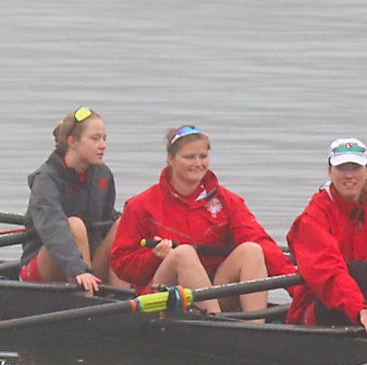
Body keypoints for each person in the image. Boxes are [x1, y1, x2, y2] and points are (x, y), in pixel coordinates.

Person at [109, 125, 294, 314]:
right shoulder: (140, 205)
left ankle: (255, 325)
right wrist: (153, 256)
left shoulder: (227, 201)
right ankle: (216, 322)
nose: (198, 163)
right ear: (170, 159)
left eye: (203, 156)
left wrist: (298, 288)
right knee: (184, 253)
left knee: (252, 250)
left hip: (214, 289)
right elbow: (120, 265)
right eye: (189, 157)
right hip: (162, 296)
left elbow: (261, 242)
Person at [284, 138, 367, 334]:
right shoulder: (314, 215)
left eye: (355, 168)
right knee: (357, 270)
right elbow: (328, 271)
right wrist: (361, 310)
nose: (349, 176)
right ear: (330, 172)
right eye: (342, 168)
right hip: (321, 307)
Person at [19, 106, 121, 293]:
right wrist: (78, 268)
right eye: (95, 138)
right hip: (44, 266)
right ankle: (87, 298)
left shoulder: (102, 174)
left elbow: (107, 218)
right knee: (74, 225)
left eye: (104, 138)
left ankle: (124, 297)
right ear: (72, 141)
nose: (103, 145)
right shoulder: (46, 179)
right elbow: (53, 227)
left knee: (124, 223)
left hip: (86, 263)